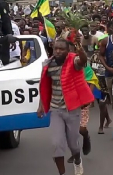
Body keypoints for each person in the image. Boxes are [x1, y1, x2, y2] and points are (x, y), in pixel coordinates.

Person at [37, 38, 93, 175]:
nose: (58, 51)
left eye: (61, 49)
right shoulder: (48, 64)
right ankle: (62, 173)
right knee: (57, 144)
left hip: (72, 110)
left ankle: (78, 160)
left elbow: (83, 61)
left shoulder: (73, 61)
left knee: (73, 144)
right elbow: (45, 86)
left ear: (68, 51)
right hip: (55, 109)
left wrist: (80, 49)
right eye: (56, 48)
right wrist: (41, 105)